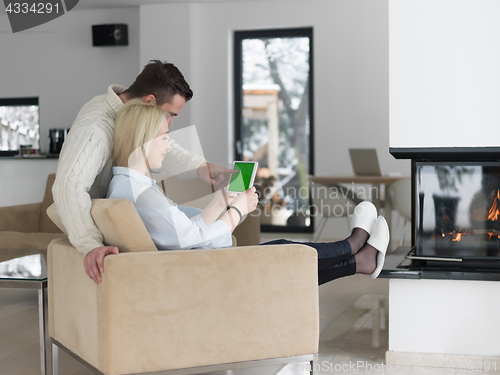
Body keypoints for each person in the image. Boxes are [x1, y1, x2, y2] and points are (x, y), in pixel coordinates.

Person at [105, 100, 390, 286]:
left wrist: (221, 200)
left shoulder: (129, 186)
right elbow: (188, 239)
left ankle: (358, 260)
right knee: (284, 253)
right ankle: (352, 248)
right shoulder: (140, 193)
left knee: (283, 253)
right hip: (200, 275)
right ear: (143, 141)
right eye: (164, 139)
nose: (168, 147)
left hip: (194, 268)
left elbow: (184, 230)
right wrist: (237, 211)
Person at [53, 60, 236, 283]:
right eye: (170, 115)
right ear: (150, 101)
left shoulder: (128, 117)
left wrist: (201, 167)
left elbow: (155, 143)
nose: (170, 123)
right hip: (106, 233)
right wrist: (90, 245)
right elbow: (68, 187)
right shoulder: (96, 128)